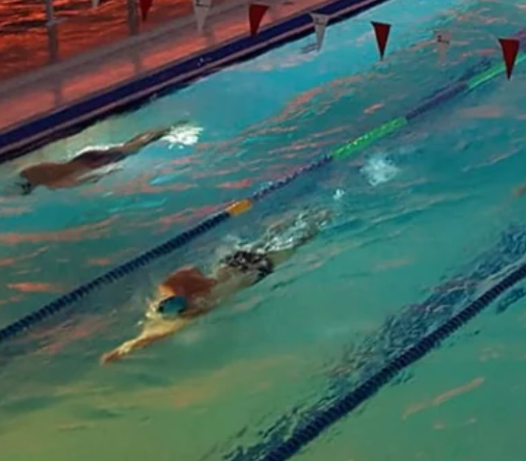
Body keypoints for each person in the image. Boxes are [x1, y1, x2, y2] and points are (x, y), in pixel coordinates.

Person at [102, 208, 330, 363]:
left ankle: (318, 218)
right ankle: (313, 216)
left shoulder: (185, 298)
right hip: (238, 265)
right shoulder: (184, 301)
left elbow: (156, 333)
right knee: (280, 240)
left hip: (249, 271)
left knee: (289, 241)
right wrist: (126, 348)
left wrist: (125, 348)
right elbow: (152, 335)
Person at [15, 127, 174, 195]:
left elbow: (90, 178)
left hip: (90, 161)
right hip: (85, 159)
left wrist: (108, 172)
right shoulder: (48, 178)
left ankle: (164, 131)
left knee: (131, 147)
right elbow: (89, 178)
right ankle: (163, 131)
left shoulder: (56, 182)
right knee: (131, 147)